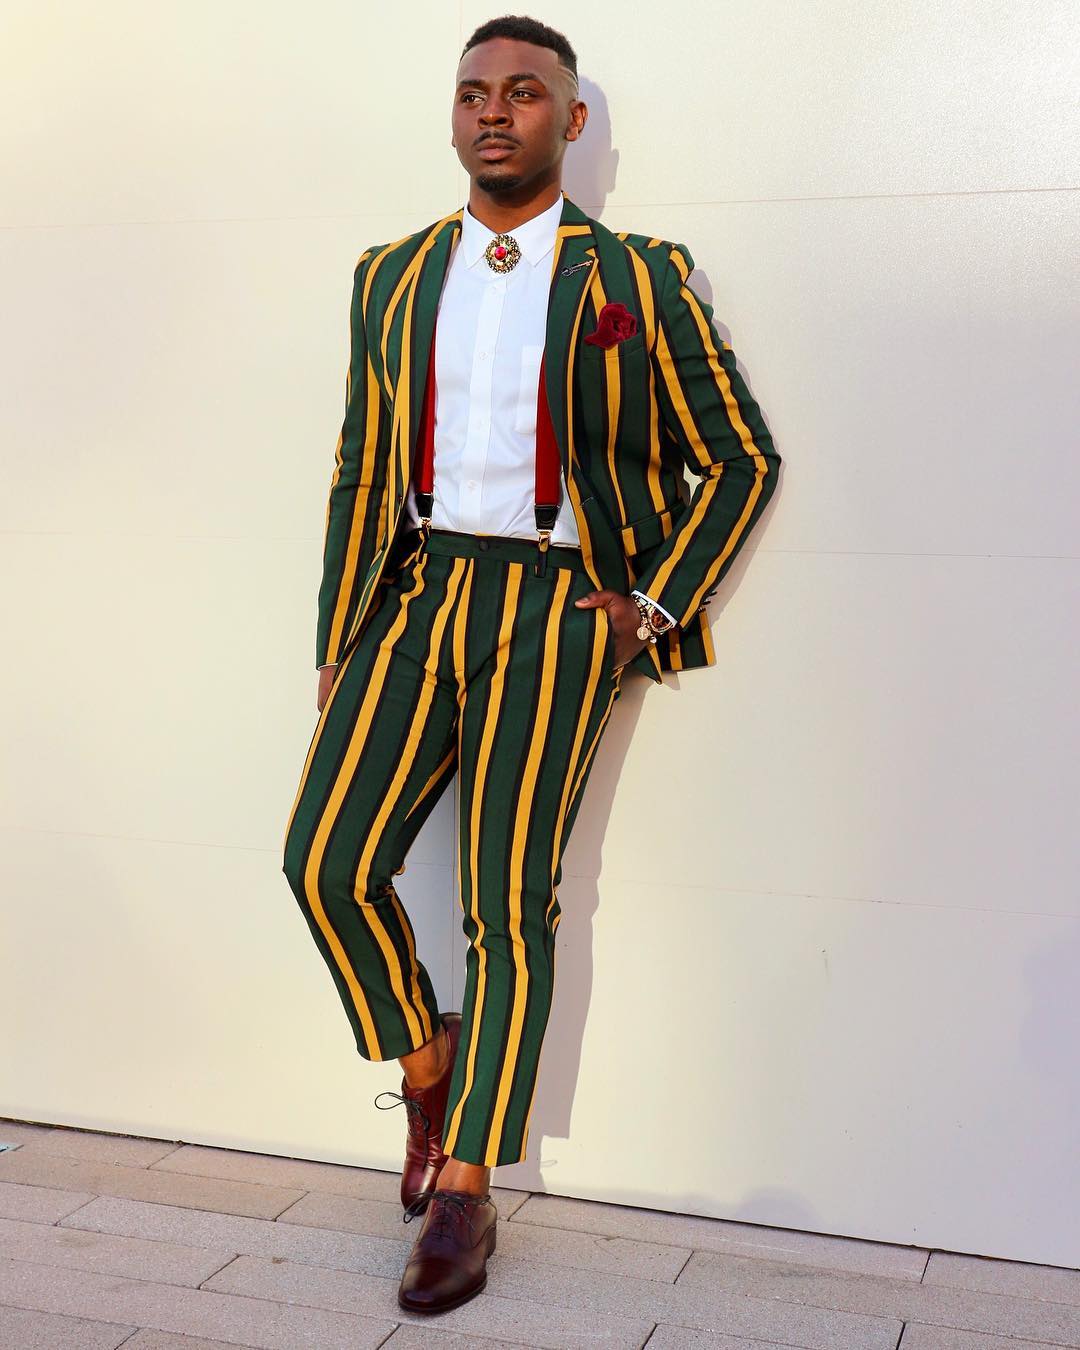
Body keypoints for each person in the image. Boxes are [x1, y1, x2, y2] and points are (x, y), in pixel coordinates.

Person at [281, 13, 781, 1315]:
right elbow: (360, 472)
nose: (494, 111)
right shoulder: (390, 275)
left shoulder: (641, 279)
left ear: (571, 118)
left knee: (509, 902)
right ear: (453, 115)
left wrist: (650, 606)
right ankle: (427, 1060)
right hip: (416, 595)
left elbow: (741, 458)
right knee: (325, 860)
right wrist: (338, 640)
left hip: (560, 610)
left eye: (523, 91)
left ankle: (465, 1182)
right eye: (473, 93)